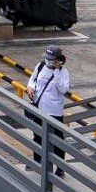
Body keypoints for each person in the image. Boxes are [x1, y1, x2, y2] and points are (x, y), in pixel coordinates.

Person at [27, 45, 72, 175]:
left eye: (51, 59)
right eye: (47, 58)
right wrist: (30, 88)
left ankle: (60, 167)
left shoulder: (64, 72)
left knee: (57, 140)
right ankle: (37, 161)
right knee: (37, 136)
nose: (48, 61)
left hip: (54, 111)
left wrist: (57, 71)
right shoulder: (40, 66)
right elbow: (32, 79)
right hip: (39, 108)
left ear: (58, 59)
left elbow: (63, 89)